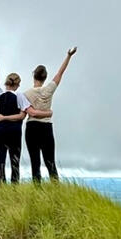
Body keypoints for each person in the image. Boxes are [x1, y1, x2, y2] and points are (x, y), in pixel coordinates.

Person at [0, 37, 52, 184]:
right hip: (14, 133)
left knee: (0, 162)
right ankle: (14, 190)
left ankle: (2, 190)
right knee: (15, 162)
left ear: (6, 83)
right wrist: (48, 113)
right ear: (18, 84)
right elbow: (23, 115)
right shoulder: (21, 96)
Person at [18, 46, 77, 183]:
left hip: (31, 127)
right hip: (46, 128)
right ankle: (56, 189)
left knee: (35, 163)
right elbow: (60, 73)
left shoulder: (26, 94)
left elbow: (26, 113)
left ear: (34, 76)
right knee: (50, 161)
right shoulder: (49, 89)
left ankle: (38, 191)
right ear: (45, 78)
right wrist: (68, 56)